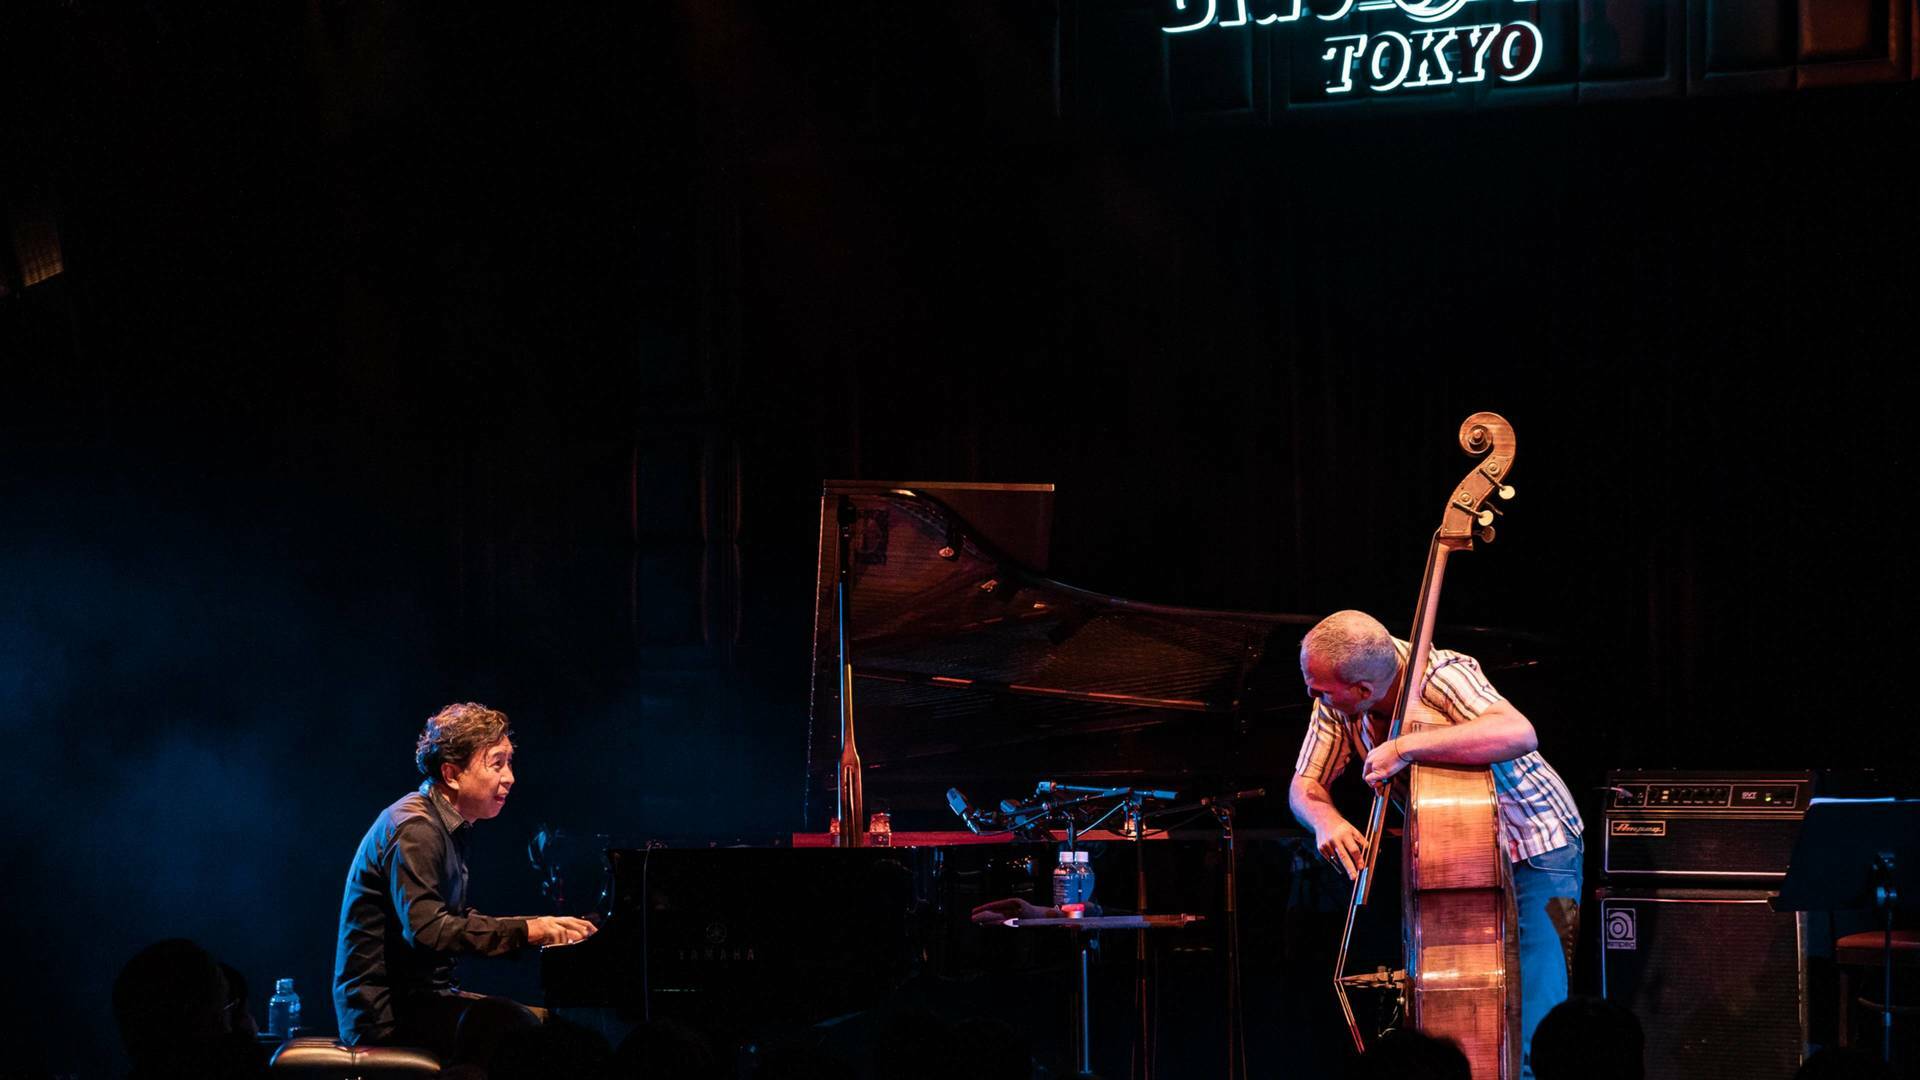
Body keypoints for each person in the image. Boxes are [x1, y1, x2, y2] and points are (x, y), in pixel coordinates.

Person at [1290, 611, 1584, 1080]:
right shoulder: (1336, 698)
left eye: (1322, 689)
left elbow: (1518, 732)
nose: (1312, 696)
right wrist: (1325, 820)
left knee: (1537, 1010)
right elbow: (1305, 782)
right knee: (1463, 1000)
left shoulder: (1443, 672)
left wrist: (1406, 748)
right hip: (1459, 855)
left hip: (1541, 844)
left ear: (1364, 689)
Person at [332, 702, 598, 1065]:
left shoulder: (443, 824)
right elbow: (429, 931)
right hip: (386, 1017)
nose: (510, 777)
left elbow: (449, 917)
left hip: (419, 1002)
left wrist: (539, 926)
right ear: (452, 773)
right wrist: (530, 932)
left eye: (509, 762)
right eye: (497, 763)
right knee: (539, 1037)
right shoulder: (417, 828)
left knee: (547, 1026)